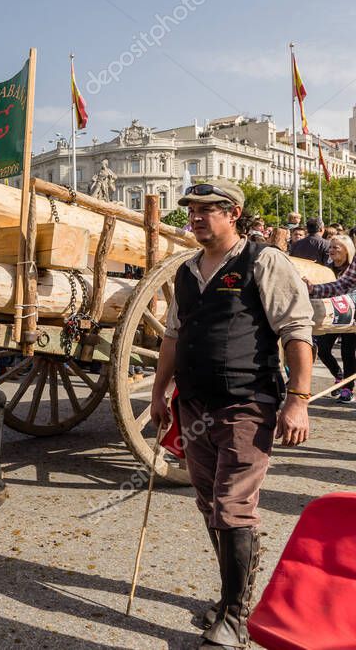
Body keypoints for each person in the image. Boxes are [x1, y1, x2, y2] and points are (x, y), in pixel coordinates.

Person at [149, 179, 313, 649]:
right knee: (209, 505)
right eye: (192, 210)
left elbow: (297, 333)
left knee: (232, 506)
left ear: (233, 213)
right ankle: (232, 598)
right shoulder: (186, 271)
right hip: (194, 406)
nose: (196, 217)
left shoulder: (263, 261)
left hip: (247, 403)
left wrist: (297, 399)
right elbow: (173, 337)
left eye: (207, 209)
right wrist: (160, 393)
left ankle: (237, 619)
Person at [311, 235, 356, 401]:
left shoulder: (350, 263)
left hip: (349, 313)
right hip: (335, 313)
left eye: (336, 247)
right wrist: (313, 289)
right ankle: (341, 378)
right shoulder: (327, 267)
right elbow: (342, 285)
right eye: (331, 247)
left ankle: (347, 388)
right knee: (323, 348)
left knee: (348, 352)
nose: (331, 250)